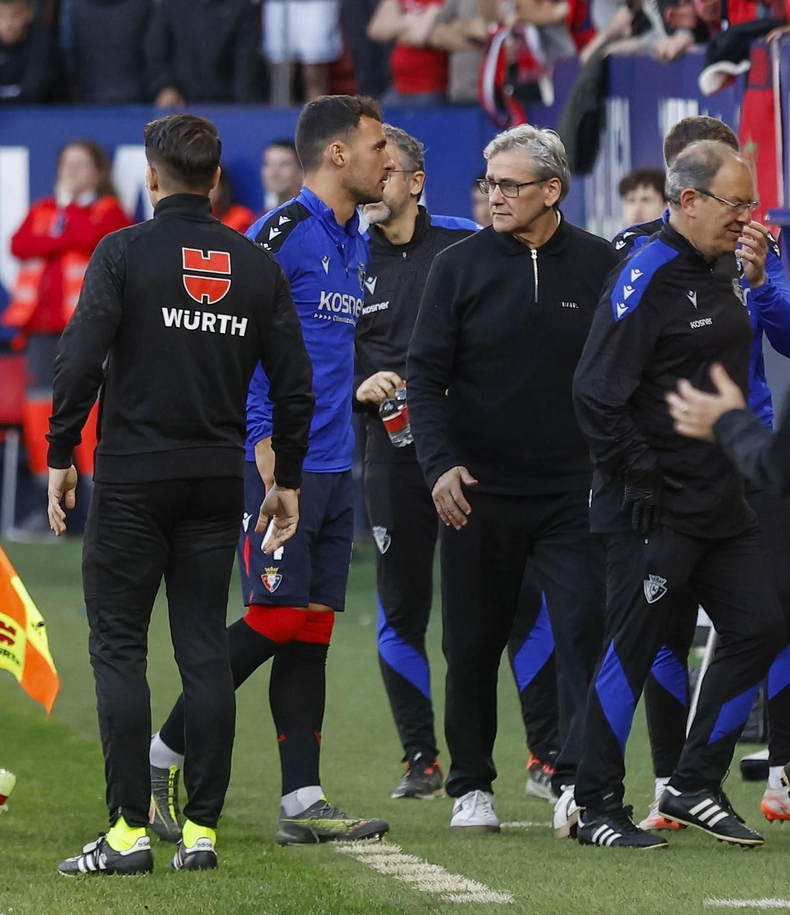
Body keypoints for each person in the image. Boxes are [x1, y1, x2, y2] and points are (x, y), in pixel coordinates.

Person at [48, 113, 314, 875]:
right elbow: (298, 385)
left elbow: (79, 361)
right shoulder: (253, 264)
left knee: (119, 650)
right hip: (213, 477)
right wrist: (286, 478)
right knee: (202, 646)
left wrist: (62, 451)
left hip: (133, 476)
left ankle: (129, 833)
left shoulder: (125, 251)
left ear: (152, 176)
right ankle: (201, 833)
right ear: (219, 179)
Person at [149, 95, 392, 848]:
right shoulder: (280, 235)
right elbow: (241, 346)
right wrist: (264, 451)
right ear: (338, 155)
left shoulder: (355, 240)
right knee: (275, 617)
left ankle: (302, 801)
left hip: (333, 466)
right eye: (379, 145)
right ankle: (159, 756)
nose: (392, 159)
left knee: (310, 630)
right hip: (279, 471)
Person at [568, 142, 783, 849]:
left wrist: (756, 282)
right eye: (736, 204)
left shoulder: (724, 267)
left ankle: (693, 782)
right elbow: (596, 395)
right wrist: (645, 477)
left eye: (751, 205)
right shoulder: (645, 273)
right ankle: (595, 803)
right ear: (688, 201)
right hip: (653, 505)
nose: (748, 218)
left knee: (760, 625)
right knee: (631, 648)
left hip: (723, 500)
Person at [404, 125, 615, 834]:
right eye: (489, 184)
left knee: (586, 631)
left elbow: (622, 376)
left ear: (551, 190)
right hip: (476, 493)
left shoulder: (599, 264)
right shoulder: (457, 267)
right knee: (470, 644)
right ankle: (471, 786)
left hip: (573, 492)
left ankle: (579, 782)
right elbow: (424, 377)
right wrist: (438, 467)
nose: (494, 196)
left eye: (509, 185)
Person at [355, 126, 560, 801]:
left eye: (382, 172)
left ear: (415, 182)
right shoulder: (340, 257)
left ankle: (545, 754)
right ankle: (421, 758)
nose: (368, 182)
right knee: (402, 603)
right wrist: (360, 383)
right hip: (389, 456)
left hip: (471, 456)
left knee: (518, 602)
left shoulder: (469, 247)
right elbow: (313, 354)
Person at [3, 141, 131, 486]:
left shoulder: (109, 211)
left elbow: (93, 236)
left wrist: (62, 222)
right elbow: (20, 243)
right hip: (41, 329)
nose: (71, 173)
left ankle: (94, 489)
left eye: (80, 165)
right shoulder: (46, 208)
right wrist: (63, 226)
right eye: (66, 165)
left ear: (98, 172)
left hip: (87, 327)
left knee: (91, 405)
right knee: (39, 406)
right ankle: (45, 490)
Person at [0, 0, 62, 106]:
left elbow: (34, 93)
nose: (8, 25)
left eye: (15, 16)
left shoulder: (43, 41)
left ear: (28, 14)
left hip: (42, 116)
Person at [260, 139, 304, 213]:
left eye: (283, 165)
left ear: (302, 172)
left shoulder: (314, 218)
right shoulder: (262, 219)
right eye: (268, 164)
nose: (273, 173)